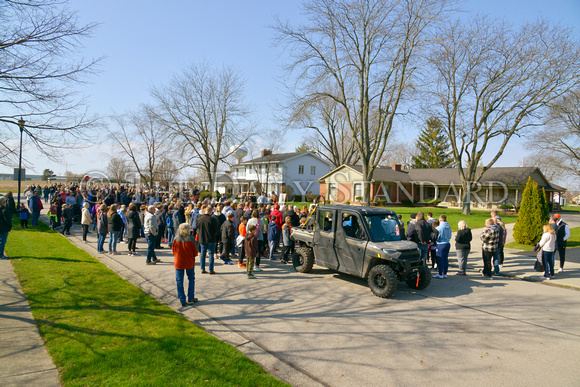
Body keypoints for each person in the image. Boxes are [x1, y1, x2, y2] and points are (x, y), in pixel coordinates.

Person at [172, 223, 198, 306]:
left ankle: (182, 299)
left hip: (179, 261)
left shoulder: (176, 238)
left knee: (179, 280)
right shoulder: (191, 239)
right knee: (191, 279)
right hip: (189, 261)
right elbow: (195, 251)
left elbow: (173, 251)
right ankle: (190, 297)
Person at [197, 205, 219, 274]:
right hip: (211, 238)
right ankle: (210, 269)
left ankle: (202, 268)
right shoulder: (212, 219)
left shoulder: (200, 219)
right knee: (211, 254)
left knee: (203, 254)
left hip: (202, 238)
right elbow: (216, 229)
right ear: (210, 212)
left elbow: (198, 228)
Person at [433, 214, 451, 279]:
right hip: (447, 243)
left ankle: (440, 274)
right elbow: (450, 235)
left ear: (440, 220)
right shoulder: (449, 227)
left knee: (440, 259)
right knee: (445, 259)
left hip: (440, 244)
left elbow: (437, 237)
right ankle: (445, 273)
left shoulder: (439, 228)